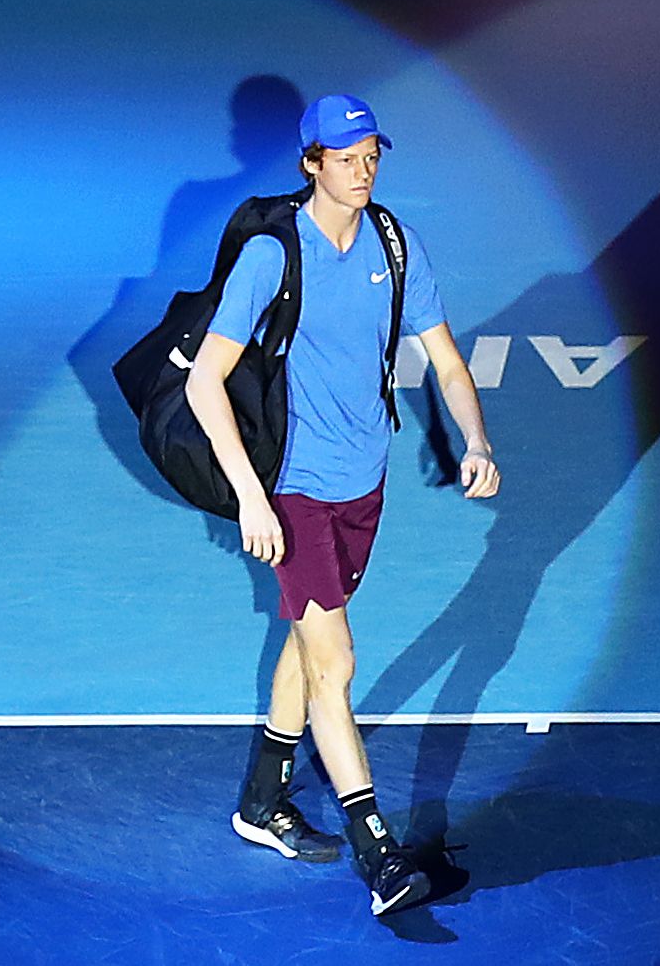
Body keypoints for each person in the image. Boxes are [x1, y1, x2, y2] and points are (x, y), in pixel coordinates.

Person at [184, 93, 500, 915]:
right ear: (311, 163)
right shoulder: (271, 254)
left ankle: (261, 801)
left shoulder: (395, 244)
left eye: (372, 156)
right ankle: (380, 855)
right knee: (338, 662)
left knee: (307, 639)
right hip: (291, 486)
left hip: (364, 479)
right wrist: (252, 498)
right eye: (346, 157)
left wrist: (477, 440)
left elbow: (444, 357)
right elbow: (203, 380)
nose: (362, 170)